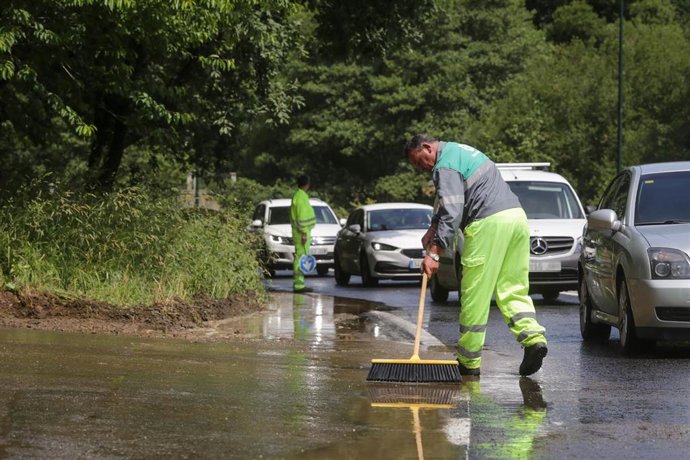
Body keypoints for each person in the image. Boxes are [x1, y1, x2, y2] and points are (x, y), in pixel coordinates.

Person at [404, 134, 547, 376]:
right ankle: (533, 340)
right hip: (516, 219)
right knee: (512, 287)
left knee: (474, 293)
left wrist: (434, 253)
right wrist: (432, 228)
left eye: (420, 161)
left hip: (486, 223)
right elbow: (452, 200)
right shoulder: (462, 152)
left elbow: (452, 210)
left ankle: (468, 361)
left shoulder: (444, 165)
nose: (421, 168)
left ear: (428, 147)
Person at [290, 174, 316, 293]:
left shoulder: (299, 196)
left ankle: (299, 284)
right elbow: (302, 217)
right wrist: (305, 232)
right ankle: (299, 285)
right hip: (301, 233)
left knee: (301, 257)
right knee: (300, 258)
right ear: (307, 185)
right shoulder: (301, 197)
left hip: (300, 232)